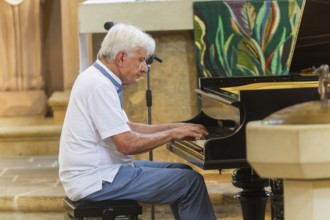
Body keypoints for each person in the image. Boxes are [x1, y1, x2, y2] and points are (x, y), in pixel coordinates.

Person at [58, 23, 217, 220]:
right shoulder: (99, 85)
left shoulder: (98, 78)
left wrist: (177, 126)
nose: (145, 68)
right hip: (96, 181)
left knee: (183, 171)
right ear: (121, 57)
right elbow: (127, 144)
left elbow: (126, 127)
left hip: (103, 174)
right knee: (190, 183)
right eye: (141, 60)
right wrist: (172, 134)